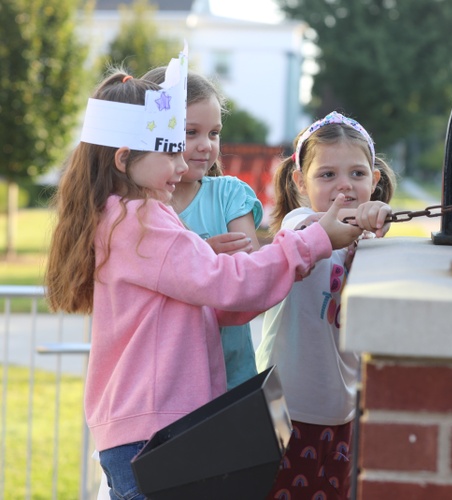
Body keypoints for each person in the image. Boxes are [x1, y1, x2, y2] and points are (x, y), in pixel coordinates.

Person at [44, 45, 372, 499]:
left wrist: (232, 269)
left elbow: (214, 300)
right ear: (124, 160)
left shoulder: (117, 218)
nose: (183, 166)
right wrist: (313, 241)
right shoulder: (143, 219)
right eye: (170, 153)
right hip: (157, 429)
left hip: (144, 426)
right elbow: (226, 286)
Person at [256, 111, 396, 500]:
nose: (344, 187)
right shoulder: (299, 225)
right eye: (327, 175)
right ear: (300, 181)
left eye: (356, 174)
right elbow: (308, 233)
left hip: (341, 411)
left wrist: (375, 224)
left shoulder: (370, 241)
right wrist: (356, 221)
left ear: (375, 180)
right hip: (285, 411)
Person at [143, 67, 261, 390]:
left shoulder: (230, 195)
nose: (206, 145)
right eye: (190, 132)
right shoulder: (140, 210)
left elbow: (250, 278)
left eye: (214, 133)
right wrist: (205, 257)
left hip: (233, 382)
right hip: (168, 386)